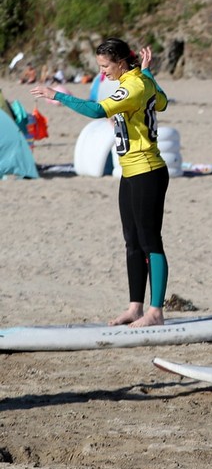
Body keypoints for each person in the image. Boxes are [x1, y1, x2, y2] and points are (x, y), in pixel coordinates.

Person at [31, 39, 171, 328]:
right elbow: (162, 101)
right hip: (130, 172)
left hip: (148, 170)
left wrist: (58, 96)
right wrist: (147, 72)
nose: (102, 72)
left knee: (150, 241)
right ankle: (135, 307)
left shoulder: (133, 86)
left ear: (121, 61)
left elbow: (98, 111)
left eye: (105, 66)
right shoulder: (138, 80)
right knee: (132, 242)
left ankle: (155, 312)